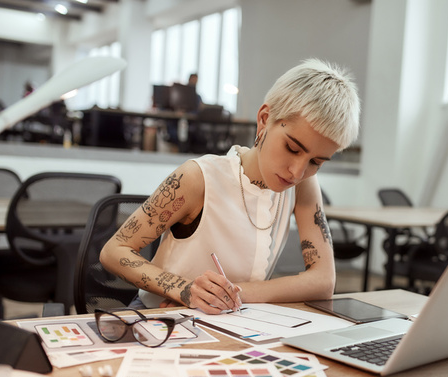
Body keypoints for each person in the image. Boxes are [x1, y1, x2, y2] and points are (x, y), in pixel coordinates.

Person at [100, 58, 361, 314]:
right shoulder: (199, 177)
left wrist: (223, 296)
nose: (297, 171)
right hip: (161, 315)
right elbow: (114, 251)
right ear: (264, 119)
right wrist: (183, 289)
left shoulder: (304, 184)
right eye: (292, 148)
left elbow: (323, 282)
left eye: (316, 161)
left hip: (232, 316)